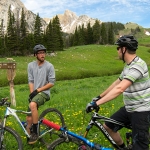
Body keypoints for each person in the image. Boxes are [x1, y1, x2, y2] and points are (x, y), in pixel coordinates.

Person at [86, 35, 150, 150]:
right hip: (129, 108)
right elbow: (117, 82)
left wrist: (97, 104)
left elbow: (120, 88)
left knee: (140, 146)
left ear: (124, 49)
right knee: (108, 127)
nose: (117, 51)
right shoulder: (128, 66)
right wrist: (99, 96)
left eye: (118, 48)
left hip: (141, 111)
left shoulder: (138, 65)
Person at [26, 44, 55, 144]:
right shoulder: (30, 65)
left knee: (33, 105)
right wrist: (32, 93)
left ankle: (35, 132)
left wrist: (38, 90)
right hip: (35, 93)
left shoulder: (49, 66)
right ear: (35, 55)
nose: (43, 55)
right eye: (40, 53)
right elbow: (31, 80)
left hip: (44, 93)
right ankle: (29, 136)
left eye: (44, 52)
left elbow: (51, 83)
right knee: (28, 118)